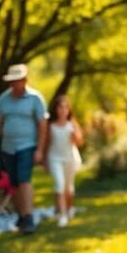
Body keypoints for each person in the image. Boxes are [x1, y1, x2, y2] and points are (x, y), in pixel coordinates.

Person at [0, 63, 47, 234]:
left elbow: (42, 124)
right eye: (12, 81)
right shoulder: (4, 99)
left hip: (27, 145)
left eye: (18, 80)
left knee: (24, 179)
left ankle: (28, 217)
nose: (14, 84)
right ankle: (21, 215)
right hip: (8, 147)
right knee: (14, 182)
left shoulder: (35, 99)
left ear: (25, 80)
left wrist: (40, 149)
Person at [45, 94, 83, 227]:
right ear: (56, 110)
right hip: (55, 158)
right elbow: (47, 144)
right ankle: (62, 215)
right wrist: (45, 162)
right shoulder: (51, 125)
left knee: (68, 188)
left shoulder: (72, 124)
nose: (62, 110)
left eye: (65, 108)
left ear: (68, 110)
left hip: (70, 158)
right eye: (60, 108)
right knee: (59, 185)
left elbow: (79, 142)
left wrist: (75, 136)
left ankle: (69, 208)